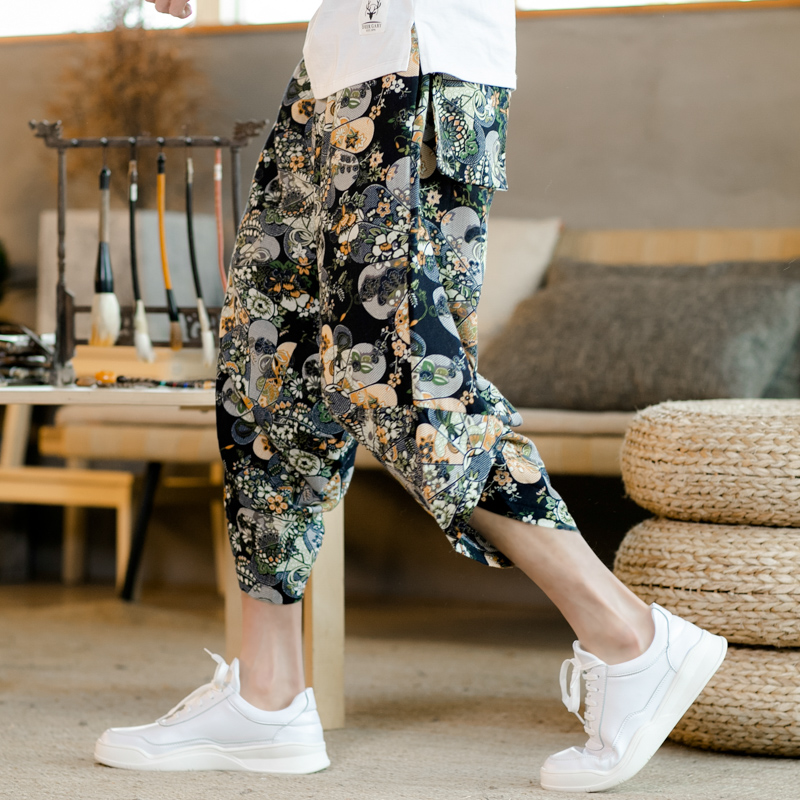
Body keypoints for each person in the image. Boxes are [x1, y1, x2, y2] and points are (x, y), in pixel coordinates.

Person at [95, 0, 727, 792]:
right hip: (334, 66)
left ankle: (629, 635)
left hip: (418, 58)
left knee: (395, 372)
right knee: (268, 367)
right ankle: (266, 698)